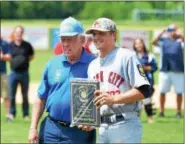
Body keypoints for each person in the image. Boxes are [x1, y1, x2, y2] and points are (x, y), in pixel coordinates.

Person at [28, 17, 96, 144]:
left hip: (79, 132)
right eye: (63, 39)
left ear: (82, 40)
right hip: (50, 128)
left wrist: (94, 120)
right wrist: (33, 128)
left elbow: (103, 97)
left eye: (69, 39)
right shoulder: (52, 63)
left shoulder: (95, 64)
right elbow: (41, 98)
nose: (65, 44)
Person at [86, 18, 151, 143]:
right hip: (102, 128)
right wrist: (89, 120)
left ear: (114, 35)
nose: (96, 37)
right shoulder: (92, 65)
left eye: (102, 33)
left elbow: (145, 90)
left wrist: (113, 99)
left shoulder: (126, 56)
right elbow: (93, 99)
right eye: (94, 34)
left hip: (125, 124)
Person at [152, 24, 184, 118]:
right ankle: (161, 111)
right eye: (170, 29)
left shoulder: (180, 41)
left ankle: (178, 112)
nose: (172, 31)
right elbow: (153, 42)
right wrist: (162, 31)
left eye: (174, 29)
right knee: (162, 91)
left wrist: (180, 34)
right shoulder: (164, 40)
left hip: (178, 70)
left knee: (179, 92)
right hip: (165, 70)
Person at [9, 25, 34, 120]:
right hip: (13, 73)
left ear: (23, 34)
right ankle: (12, 113)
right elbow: (7, 57)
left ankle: (26, 114)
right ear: (14, 33)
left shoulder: (27, 45)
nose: (18, 34)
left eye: (20, 32)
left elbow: (31, 56)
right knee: (12, 95)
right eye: (17, 32)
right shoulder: (10, 45)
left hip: (24, 73)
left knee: (25, 95)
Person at [133, 38, 158, 124]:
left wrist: (146, 68)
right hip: (135, 82)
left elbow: (155, 67)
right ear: (134, 45)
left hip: (147, 81)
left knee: (147, 100)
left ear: (143, 44)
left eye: (140, 43)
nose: (139, 45)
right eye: (137, 44)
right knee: (136, 102)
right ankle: (136, 118)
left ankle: (150, 117)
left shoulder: (150, 55)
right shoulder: (132, 56)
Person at [0, 37, 12, 122]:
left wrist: (2, 56)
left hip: (3, 73)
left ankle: (8, 115)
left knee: (6, 95)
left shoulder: (4, 43)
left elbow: (9, 57)